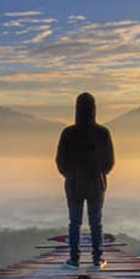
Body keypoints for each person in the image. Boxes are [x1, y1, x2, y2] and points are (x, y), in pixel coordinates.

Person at [55, 92, 114, 268]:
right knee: (96, 222)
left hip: (73, 184)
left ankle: (74, 259)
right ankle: (97, 259)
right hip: (96, 183)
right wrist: (100, 172)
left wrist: (70, 174)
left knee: (75, 222)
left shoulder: (68, 133)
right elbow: (109, 162)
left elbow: (60, 161)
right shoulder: (103, 133)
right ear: (94, 109)